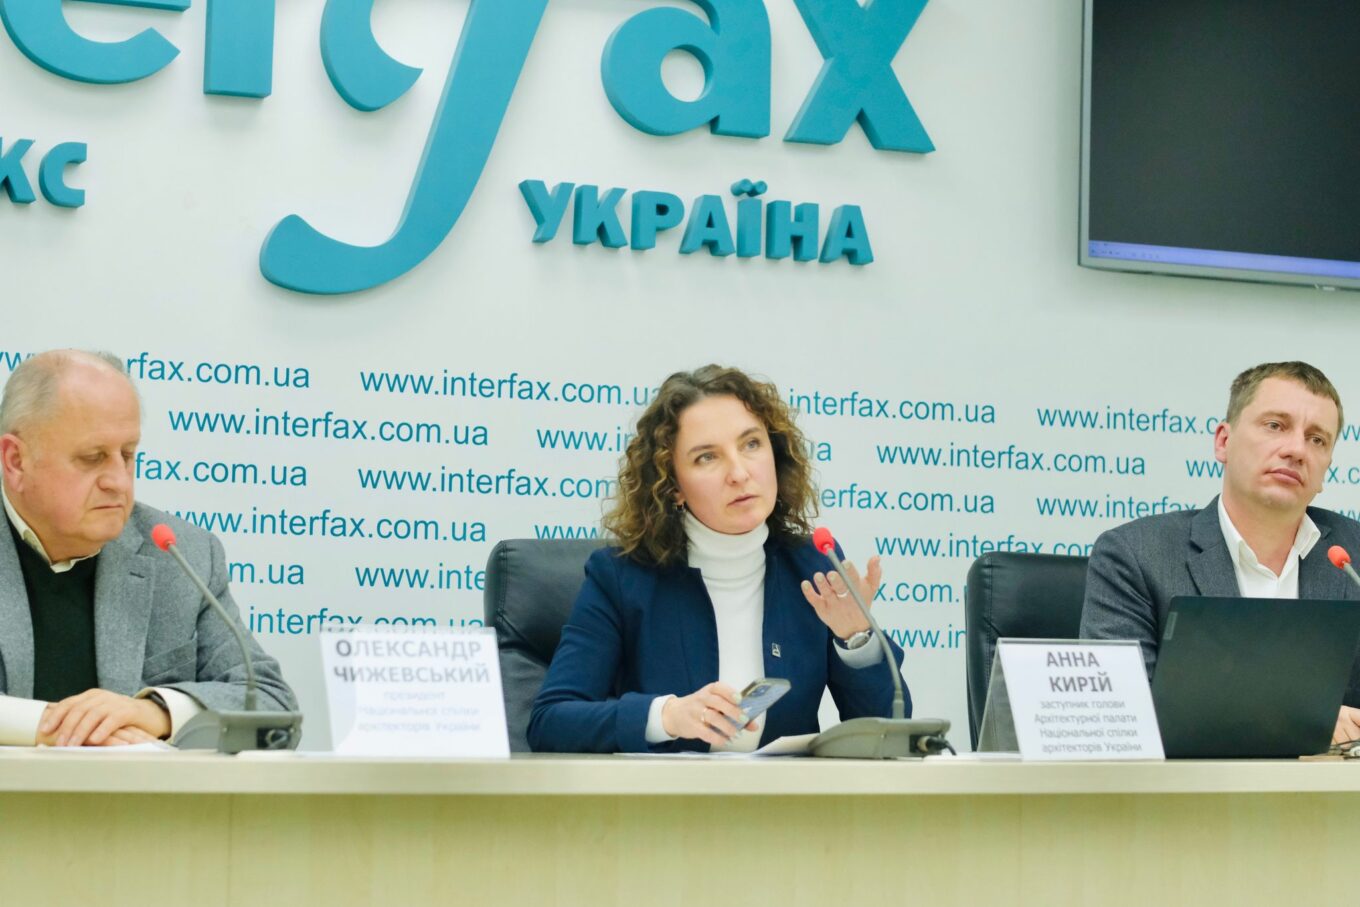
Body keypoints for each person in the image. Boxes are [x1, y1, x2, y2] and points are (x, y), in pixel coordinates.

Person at [528, 365, 908, 753]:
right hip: (665, 793)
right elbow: (550, 722)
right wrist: (666, 716)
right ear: (673, 486)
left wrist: (856, 639)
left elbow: (890, 732)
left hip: (787, 791)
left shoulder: (813, 566)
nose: (739, 473)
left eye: (751, 444)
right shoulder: (622, 577)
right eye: (707, 457)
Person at [0, 350, 295, 747]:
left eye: (127, 455)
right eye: (92, 458)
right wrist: (54, 727)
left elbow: (274, 710)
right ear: (16, 461)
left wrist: (157, 711)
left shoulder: (182, 554)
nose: (119, 481)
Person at [1080, 361, 1360, 743]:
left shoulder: (1351, 559)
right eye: (1275, 425)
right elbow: (1120, 713)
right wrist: (1304, 720)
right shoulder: (1135, 556)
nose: (1297, 449)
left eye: (1317, 440)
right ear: (1223, 442)